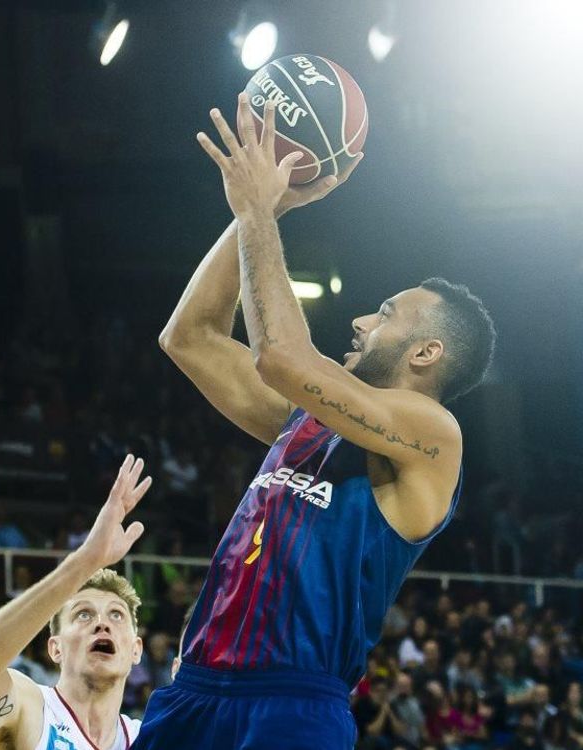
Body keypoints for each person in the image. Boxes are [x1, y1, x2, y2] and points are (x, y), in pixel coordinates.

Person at [136, 95, 496, 749]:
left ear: (426, 353)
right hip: (194, 687)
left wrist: (256, 211)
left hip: (293, 705)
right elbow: (187, 336)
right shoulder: (310, 421)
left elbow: (281, 355)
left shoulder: (433, 436)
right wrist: (271, 208)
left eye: (386, 313)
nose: (361, 320)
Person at [0, 457, 151, 749]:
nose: (102, 623)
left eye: (117, 615)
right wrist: (85, 561)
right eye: (83, 614)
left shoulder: (147, 737)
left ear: (136, 649)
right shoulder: (31, 708)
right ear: (55, 647)